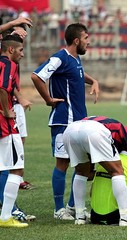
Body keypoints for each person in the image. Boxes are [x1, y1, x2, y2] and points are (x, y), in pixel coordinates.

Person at [31, 23, 100, 220]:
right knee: (62, 163)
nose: (89, 42)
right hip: (63, 121)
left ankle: (72, 206)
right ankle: (59, 209)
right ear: (76, 41)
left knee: (83, 165)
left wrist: (93, 81)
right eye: (86, 38)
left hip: (79, 122)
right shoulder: (60, 57)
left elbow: (78, 74)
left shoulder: (75, 59)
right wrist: (48, 99)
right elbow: (37, 76)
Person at [62, 116, 127, 226]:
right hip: (94, 131)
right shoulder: (125, 130)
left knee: (81, 173)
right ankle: (126, 218)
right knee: (117, 171)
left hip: (70, 130)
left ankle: (80, 216)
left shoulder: (108, 126)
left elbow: (89, 174)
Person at [0, 18, 35, 222]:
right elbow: (3, 88)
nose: (22, 53)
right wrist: (7, 111)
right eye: (20, 50)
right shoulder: (9, 65)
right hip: (4, 121)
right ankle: (8, 213)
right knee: (14, 166)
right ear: (12, 50)